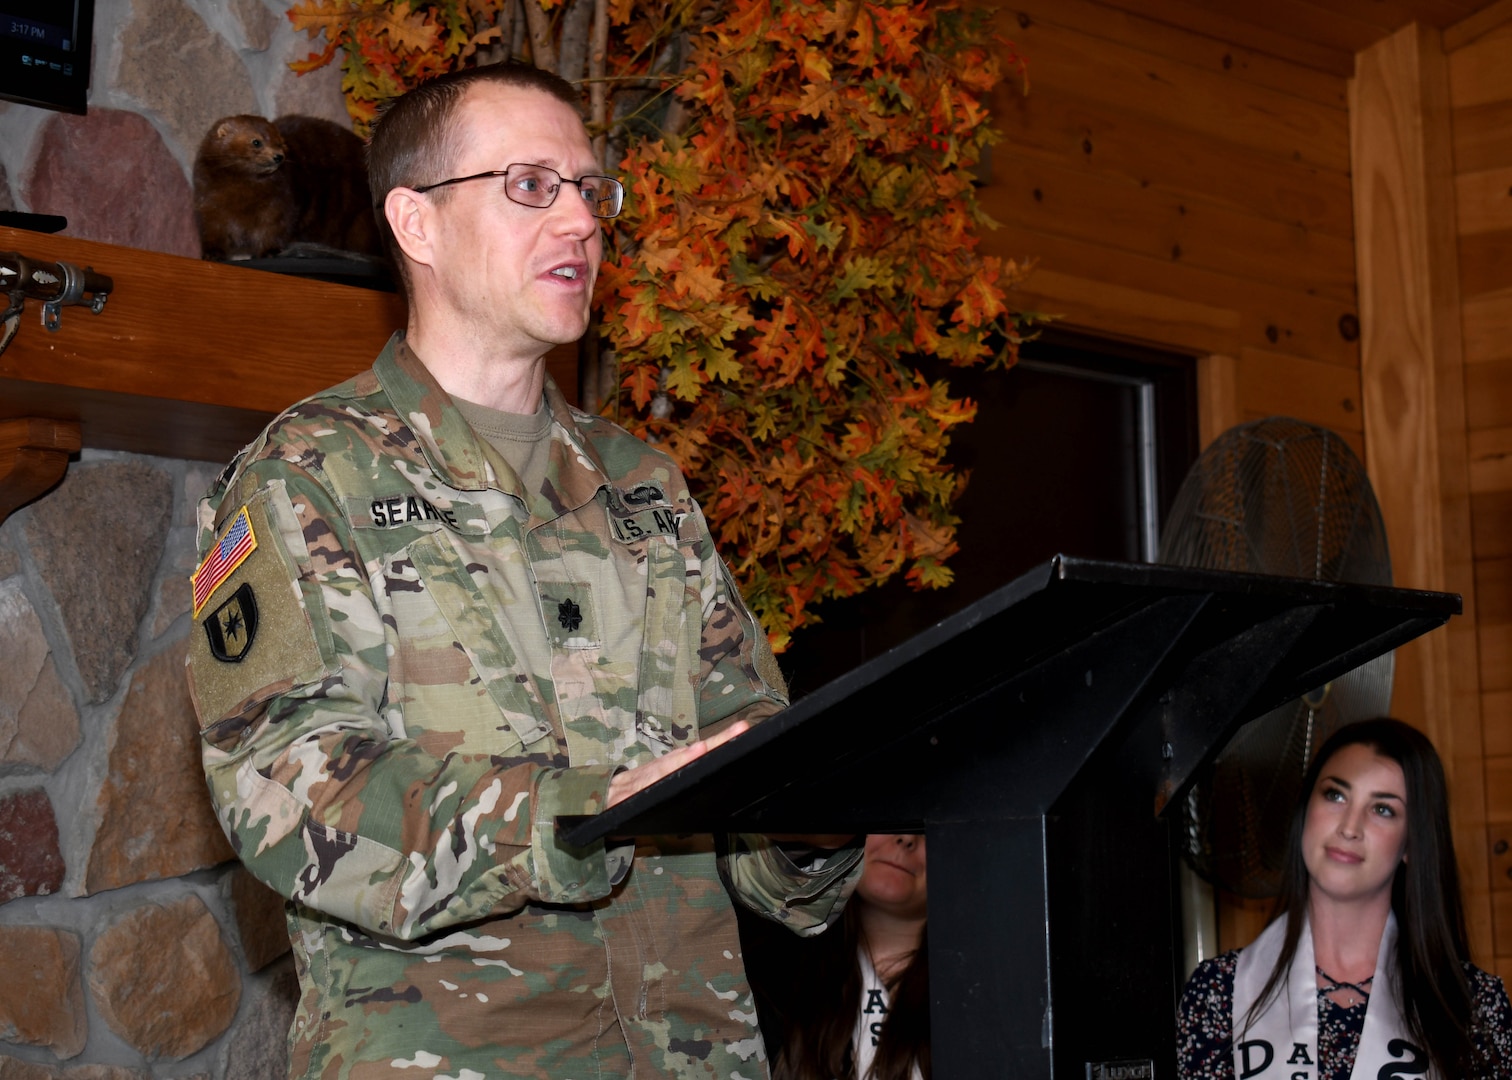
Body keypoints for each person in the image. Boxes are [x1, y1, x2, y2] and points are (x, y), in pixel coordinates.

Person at [184, 60, 861, 1078]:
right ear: (417, 224)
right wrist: (572, 817)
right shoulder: (306, 477)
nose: (583, 221)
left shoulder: (645, 487)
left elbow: (750, 778)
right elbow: (286, 789)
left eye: (591, 190)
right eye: (531, 186)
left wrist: (815, 817)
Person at [1177, 718, 1512, 1078]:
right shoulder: (1218, 992)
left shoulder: (1473, 1005)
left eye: (1383, 809)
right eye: (1335, 795)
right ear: (1305, 811)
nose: (1350, 827)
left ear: (1412, 844)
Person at [744, 833, 929, 1080]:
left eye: (925, 828)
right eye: (896, 816)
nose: (907, 837)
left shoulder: (980, 997)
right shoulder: (767, 974)